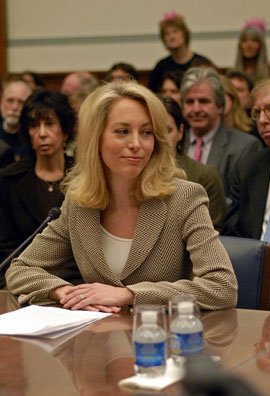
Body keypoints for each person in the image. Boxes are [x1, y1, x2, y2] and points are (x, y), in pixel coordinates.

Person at [6, 81, 237, 311]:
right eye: (122, 131)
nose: (136, 144)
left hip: (162, 339)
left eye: (146, 133)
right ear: (95, 139)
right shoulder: (79, 204)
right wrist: (65, 292)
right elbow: (20, 269)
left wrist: (129, 295)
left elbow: (223, 286)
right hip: (96, 339)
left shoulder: (184, 198)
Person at [222, 76, 270, 293]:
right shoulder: (250, 167)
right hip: (255, 288)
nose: (263, 120)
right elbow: (233, 234)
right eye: (257, 112)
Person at [0, 90, 76, 286]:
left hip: (74, 284)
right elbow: (5, 247)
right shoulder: (10, 180)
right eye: (34, 126)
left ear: (65, 131)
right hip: (20, 282)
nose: (42, 133)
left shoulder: (83, 178)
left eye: (49, 124)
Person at [181, 67, 262, 202]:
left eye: (203, 101)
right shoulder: (174, 143)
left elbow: (244, 203)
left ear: (220, 106)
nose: (196, 109)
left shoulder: (245, 147)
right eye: (189, 102)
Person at [159, 95, 227, 229]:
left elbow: (214, 234)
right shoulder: (133, 172)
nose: (161, 138)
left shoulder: (204, 176)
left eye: (168, 130)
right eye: (151, 131)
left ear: (180, 132)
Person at [148, 12, 212, 93]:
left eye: (175, 32)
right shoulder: (161, 66)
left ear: (185, 34)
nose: (172, 37)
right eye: (167, 34)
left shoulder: (202, 63)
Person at [0, 76, 32, 160]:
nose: (14, 107)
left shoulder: (32, 136)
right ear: (2, 102)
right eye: (10, 100)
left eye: (21, 102)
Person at [234, 18, 269, 84]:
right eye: (244, 41)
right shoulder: (232, 74)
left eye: (254, 41)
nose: (249, 45)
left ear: (261, 45)